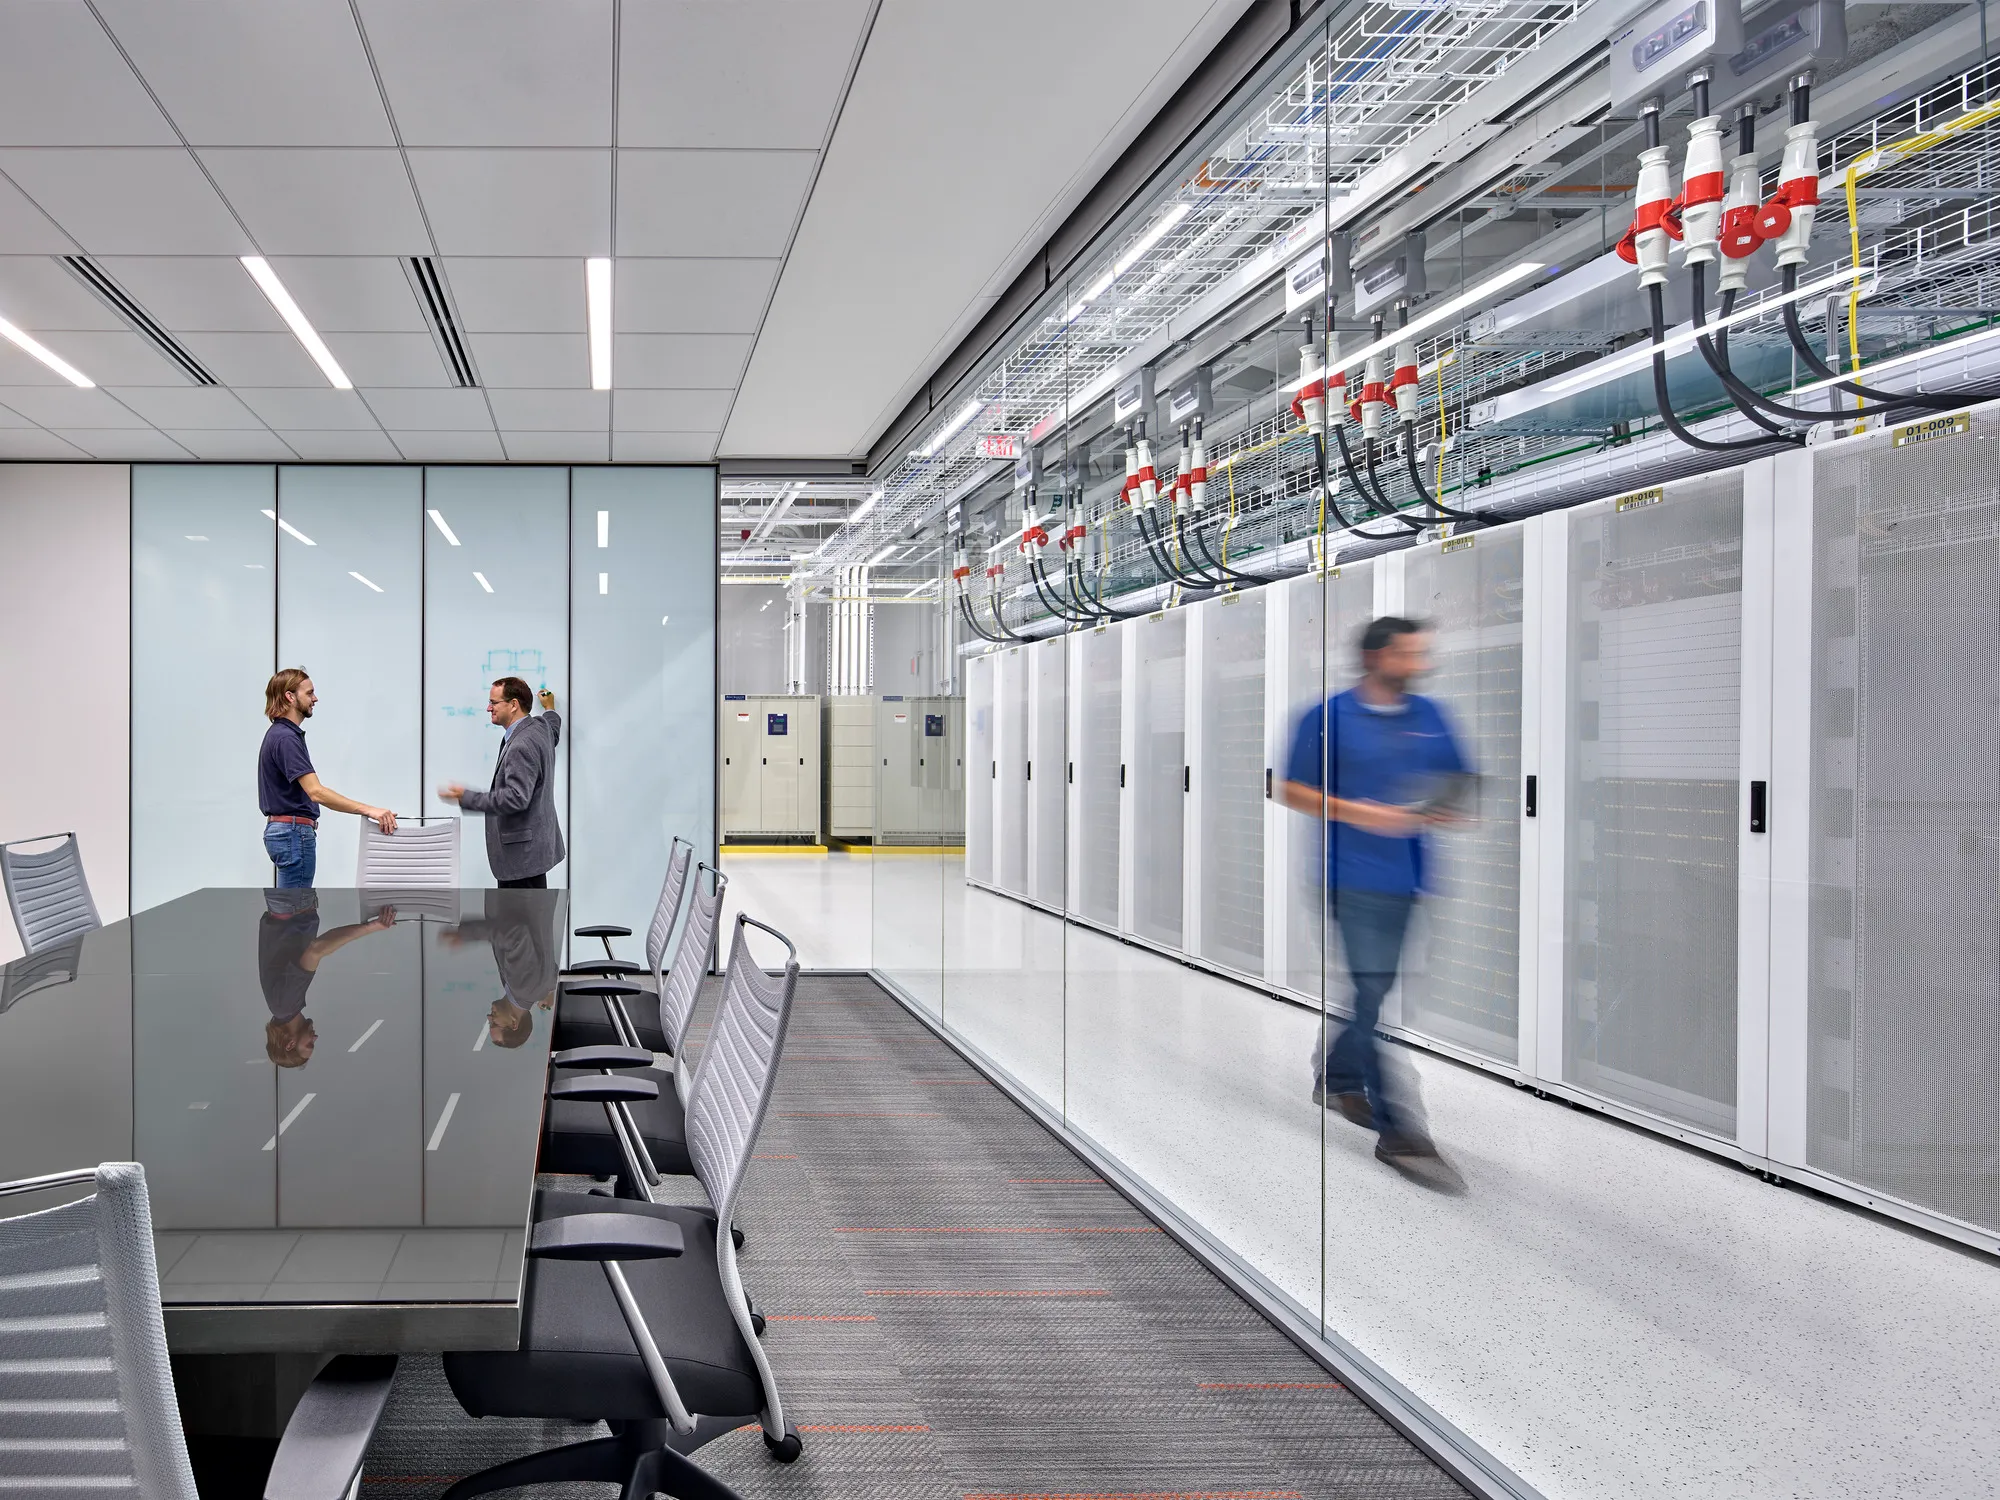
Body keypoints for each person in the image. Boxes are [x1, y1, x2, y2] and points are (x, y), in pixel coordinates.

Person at [1277, 616, 1470, 1166]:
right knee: (1372, 993)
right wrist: (1358, 812)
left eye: (1420, 655)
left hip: (1408, 876)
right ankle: (1400, 1131)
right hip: (1347, 876)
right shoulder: (1329, 716)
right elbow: (1289, 787)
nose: (1419, 665)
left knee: (1372, 993)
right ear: (1376, 658)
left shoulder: (1430, 715)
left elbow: (1458, 778)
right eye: (1408, 655)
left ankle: (1337, 1077)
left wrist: (1449, 807)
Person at [258, 668, 399, 888]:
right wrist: (370, 810)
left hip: (285, 833)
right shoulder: (286, 738)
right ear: (290, 696)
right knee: (296, 914)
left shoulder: (278, 734)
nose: (315, 698)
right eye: (309, 693)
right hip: (293, 834)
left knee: (288, 913)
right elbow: (316, 791)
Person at [440, 680, 564, 889]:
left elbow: (516, 798)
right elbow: (554, 730)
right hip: (534, 854)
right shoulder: (539, 728)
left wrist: (467, 797)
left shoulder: (520, 745)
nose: (489, 708)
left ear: (514, 704)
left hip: (520, 859)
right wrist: (549, 708)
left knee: (517, 920)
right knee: (534, 917)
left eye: (494, 702)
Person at [258, 888, 398, 1067]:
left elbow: (317, 950)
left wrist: (371, 927)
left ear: (290, 1043)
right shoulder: (281, 1006)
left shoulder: (286, 1004)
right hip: (289, 903)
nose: (314, 1038)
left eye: (309, 1044)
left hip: (292, 901)